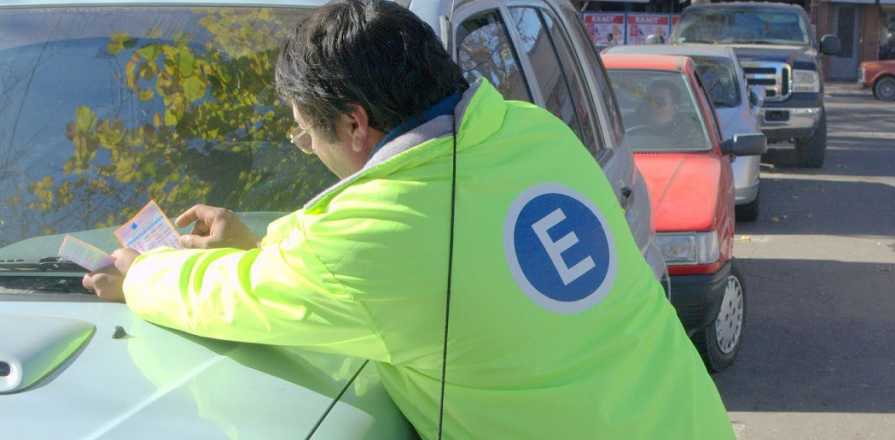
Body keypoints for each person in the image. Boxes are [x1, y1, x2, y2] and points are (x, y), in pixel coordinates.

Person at [82, 1, 734, 439]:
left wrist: (141, 273)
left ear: (355, 123)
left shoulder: (380, 236)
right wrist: (263, 245)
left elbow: (229, 295)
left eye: (306, 131)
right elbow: (394, 257)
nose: (303, 146)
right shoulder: (533, 132)